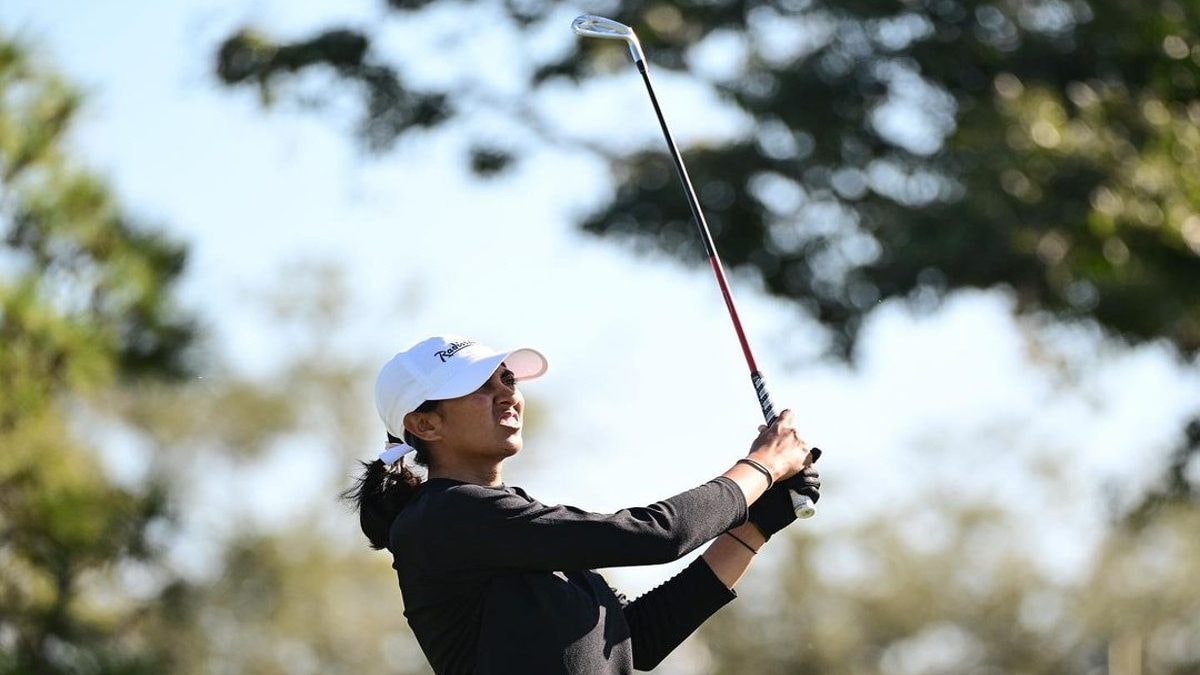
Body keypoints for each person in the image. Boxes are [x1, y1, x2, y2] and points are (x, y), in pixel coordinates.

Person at [344, 335, 820, 674]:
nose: (507, 393)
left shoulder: (509, 521)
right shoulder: (442, 518)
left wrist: (755, 525)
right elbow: (658, 534)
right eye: (478, 387)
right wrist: (762, 466)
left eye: (507, 378)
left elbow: (636, 640)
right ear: (425, 425)